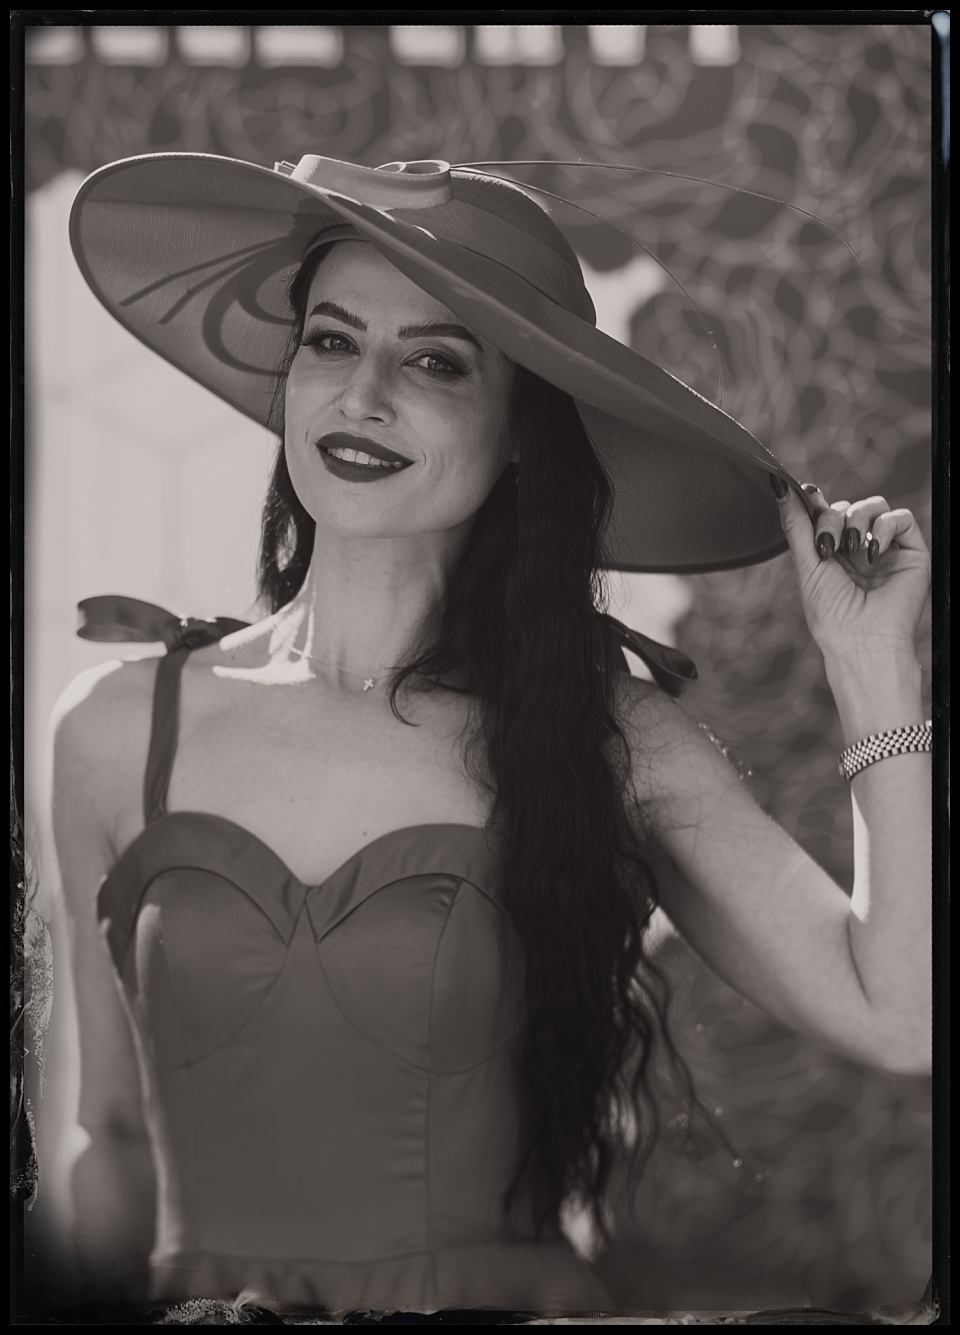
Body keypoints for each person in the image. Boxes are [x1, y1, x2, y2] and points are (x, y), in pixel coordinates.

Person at [50, 153, 932, 1317]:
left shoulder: (604, 732)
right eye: (330, 339)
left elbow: (899, 1015)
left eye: (433, 361)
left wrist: (874, 672)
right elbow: (109, 1142)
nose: (362, 395)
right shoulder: (115, 727)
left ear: (522, 430)